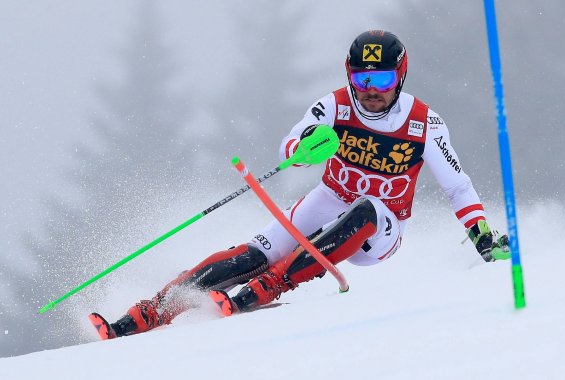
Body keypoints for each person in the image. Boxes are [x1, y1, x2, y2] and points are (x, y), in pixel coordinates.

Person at [89, 30, 511, 340]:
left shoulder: (424, 123)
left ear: (400, 77)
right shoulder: (336, 104)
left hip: (381, 228)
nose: (370, 93)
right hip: (329, 200)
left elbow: (458, 186)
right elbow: (290, 141)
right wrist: (306, 147)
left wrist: (481, 236)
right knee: (252, 253)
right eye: (362, 80)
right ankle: (153, 310)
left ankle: (273, 284)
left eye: (381, 82)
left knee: (366, 207)